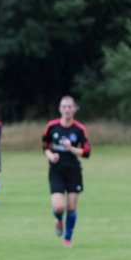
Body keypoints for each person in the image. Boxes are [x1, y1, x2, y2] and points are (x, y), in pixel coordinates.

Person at [43, 96, 91, 248]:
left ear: (74, 109)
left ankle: (68, 239)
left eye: (70, 107)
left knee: (71, 208)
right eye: (64, 107)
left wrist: (71, 148)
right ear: (60, 109)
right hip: (56, 171)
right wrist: (51, 155)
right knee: (58, 207)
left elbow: (87, 152)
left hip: (73, 171)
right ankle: (58, 220)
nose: (67, 110)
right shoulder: (52, 126)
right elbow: (45, 145)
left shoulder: (79, 129)